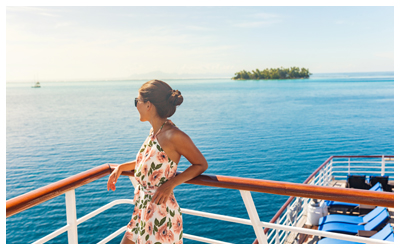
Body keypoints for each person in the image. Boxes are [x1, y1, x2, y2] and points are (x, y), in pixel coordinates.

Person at [107, 79, 208, 244]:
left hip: (160, 216)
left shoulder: (174, 135)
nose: (135, 106)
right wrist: (120, 168)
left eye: (136, 101)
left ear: (148, 105)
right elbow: (149, 163)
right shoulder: (155, 132)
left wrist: (171, 184)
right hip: (142, 210)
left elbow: (201, 164)